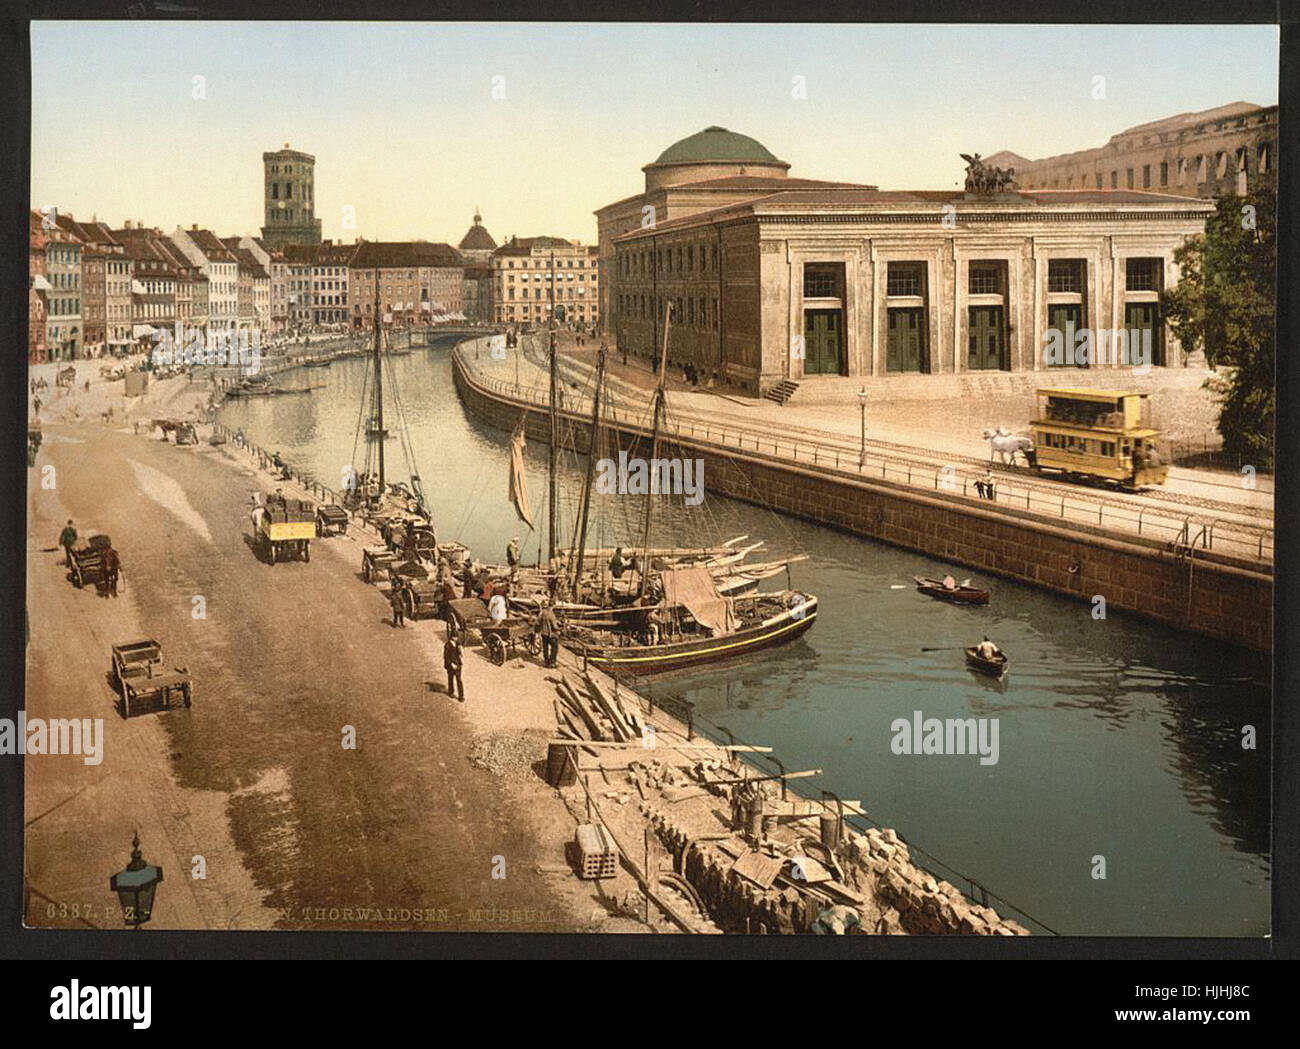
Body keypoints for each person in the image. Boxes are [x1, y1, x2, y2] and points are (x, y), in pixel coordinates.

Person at [535, 599, 559, 668]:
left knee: (545, 648)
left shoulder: (542, 612)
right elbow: (554, 626)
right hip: (550, 634)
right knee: (555, 647)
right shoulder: (552, 614)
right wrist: (559, 629)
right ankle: (552, 662)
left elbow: (538, 621)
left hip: (543, 633)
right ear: (553, 605)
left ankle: (546, 661)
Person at [444, 628, 465, 701]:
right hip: (451, 665)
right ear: (451, 637)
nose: (456, 638)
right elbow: (446, 657)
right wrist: (451, 664)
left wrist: (461, 656)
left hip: (458, 664)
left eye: (457, 637)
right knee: (451, 678)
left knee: (459, 680)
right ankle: (451, 692)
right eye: (455, 637)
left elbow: (460, 654)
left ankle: (461, 696)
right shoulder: (447, 645)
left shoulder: (458, 644)